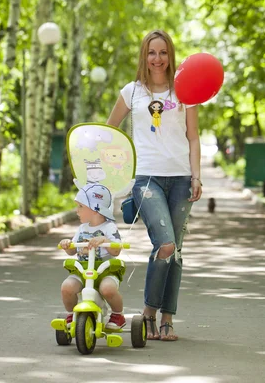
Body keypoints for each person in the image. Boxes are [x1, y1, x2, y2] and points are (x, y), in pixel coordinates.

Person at [106, 29, 202, 341]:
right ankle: (148, 312)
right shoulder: (131, 92)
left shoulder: (184, 91)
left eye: (163, 52)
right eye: (151, 52)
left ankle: (167, 319)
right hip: (146, 178)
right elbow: (111, 131)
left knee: (175, 250)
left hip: (180, 178)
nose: (157, 59)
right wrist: (118, 174)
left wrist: (196, 176)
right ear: (144, 57)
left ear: (170, 56)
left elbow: (193, 137)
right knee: (166, 243)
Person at [59, 183, 126, 329]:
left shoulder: (109, 227)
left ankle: (118, 315)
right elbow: (72, 250)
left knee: (108, 289)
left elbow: (116, 250)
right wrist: (67, 244)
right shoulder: (82, 228)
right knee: (67, 288)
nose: (77, 211)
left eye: (80, 206)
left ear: (96, 209)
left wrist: (105, 241)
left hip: (104, 270)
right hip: (83, 270)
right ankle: (71, 315)